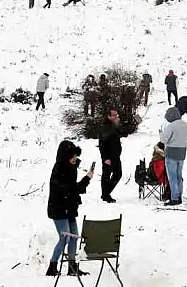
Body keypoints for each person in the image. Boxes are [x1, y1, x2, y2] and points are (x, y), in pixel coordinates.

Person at [46, 140, 94, 277]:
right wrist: (87, 179)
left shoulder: (70, 166)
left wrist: (87, 173)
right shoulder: (58, 171)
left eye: (75, 156)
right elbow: (71, 189)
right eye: (72, 156)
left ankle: (72, 267)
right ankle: (52, 266)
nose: (75, 159)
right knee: (65, 238)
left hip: (70, 207)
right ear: (65, 157)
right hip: (59, 209)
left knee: (74, 237)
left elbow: (73, 186)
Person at [160, 106, 187, 205]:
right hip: (182, 152)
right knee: (179, 176)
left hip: (171, 152)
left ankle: (174, 198)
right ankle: (179, 196)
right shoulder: (186, 125)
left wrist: (161, 133)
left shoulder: (171, 126)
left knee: (172, 176)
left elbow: (163, 140)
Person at [97, 109, 122, 203]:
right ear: (109, 116)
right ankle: (105, 195)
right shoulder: (105, 127)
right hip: (108, 156)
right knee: (106, 176)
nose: (116, 117)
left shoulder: (114, 125)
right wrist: (105, 158)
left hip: (116, 155)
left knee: (118, 174)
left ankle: (106, 193)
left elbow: (121, 132)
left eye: (116, 115)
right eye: (114, 115)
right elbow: (102, 144)